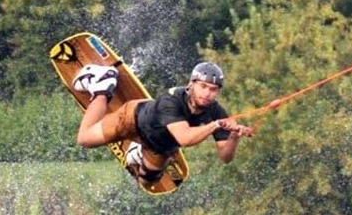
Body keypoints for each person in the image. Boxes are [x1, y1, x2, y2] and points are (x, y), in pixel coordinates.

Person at [71, 61, 253, 189]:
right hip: (132, 120)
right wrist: (214, 125)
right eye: (203, 86)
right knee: (85, 139)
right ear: (191, 84)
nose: (207, 93)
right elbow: (185, 138)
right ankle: (102, 85)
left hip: (159, 147)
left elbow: (225, 157)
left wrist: (233, 137)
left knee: (146, 183)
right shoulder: (172, 100)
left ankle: (138, 152)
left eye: (213, 90)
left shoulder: (216, 111)